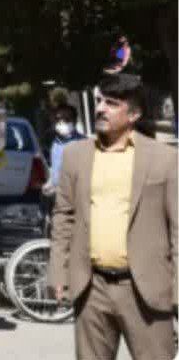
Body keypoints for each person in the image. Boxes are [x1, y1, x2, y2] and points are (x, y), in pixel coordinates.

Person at [48, 73, 177, 360]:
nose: (100, 109)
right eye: (99, 101)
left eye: (111, 103)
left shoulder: (164, 159)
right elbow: (63, 217)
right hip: (92, 288)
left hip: (146, 290)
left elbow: (178, 229)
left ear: (134, 114)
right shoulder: (75, 155)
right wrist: (59, 271)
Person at [44, 102, 84, 204]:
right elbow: (55, 169)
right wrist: (50, 184)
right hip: (58, 198)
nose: (62, 122)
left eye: (66, 119)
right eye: (58, 119)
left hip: (77, 199)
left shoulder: (83, 143)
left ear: (74, 121)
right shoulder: (55, 144)